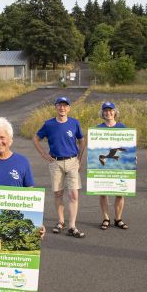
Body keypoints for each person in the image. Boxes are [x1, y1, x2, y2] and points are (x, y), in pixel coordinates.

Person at [33, 96, 87, 238]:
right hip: (55, 162)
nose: (62, 108)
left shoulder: (74, 123)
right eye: (59, 105)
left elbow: (82, 141)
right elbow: (36, 138)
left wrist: (79, 159)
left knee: (74, 194)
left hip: (72, 161)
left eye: (65, 105)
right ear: (56, 107)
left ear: (68, 108)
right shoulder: (49, 124)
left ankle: (72, 225)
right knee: (58, 193)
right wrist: (44, 154)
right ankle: (61, 221)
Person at [94, 102, 130, 230]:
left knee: (120, 193)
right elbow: (95, 148)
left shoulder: (122, 127)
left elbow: (128, 147)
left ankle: (118, 219)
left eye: (110, 110)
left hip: (119, 164)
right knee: (103, 192)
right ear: (102, 113)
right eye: (105, 110)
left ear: (115, 112)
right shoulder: (98, 129)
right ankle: (106, 218)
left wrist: (133, 157)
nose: (108, 112)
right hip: (103, 165)